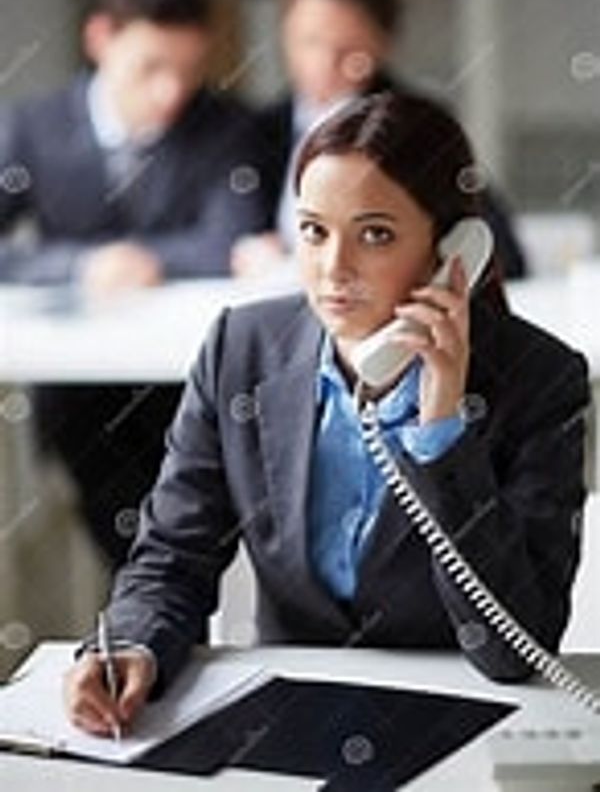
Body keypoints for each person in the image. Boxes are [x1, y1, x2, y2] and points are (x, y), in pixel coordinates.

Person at [64, 91, 587, 739]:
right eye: (313, 230)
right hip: (287, 720)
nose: (333, 269)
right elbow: (173, 556)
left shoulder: (541, 382)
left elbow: (513, 649)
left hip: (454, 726)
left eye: (375, 234)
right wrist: (130, 646)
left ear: (451, 249)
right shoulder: (241, 350)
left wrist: (441, 427)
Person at [0, 0, 269, 566]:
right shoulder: (31, 129)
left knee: (194, 527)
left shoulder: (226, 128)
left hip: (187, 389)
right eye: (151, 67)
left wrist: (143, 259)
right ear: (101, 39)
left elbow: (233, 240)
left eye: (188, 70)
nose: (171, 92)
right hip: (79, 392)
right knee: (127, 537)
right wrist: (76, 266)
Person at [232, 0, 527, 281]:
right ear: (285, 33)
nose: (325, 64)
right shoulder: (257, 129)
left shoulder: (417, 126)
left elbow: (501, 250)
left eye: (349, 49)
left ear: (383, 43)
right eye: (310, 41)